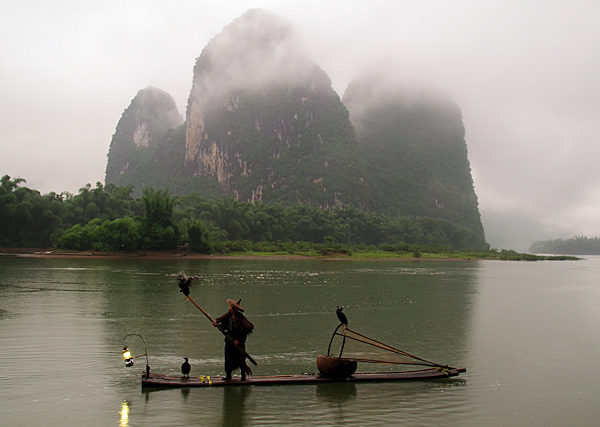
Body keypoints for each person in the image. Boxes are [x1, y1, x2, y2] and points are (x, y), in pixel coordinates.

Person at [214, 298, 254, 381]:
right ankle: (228, 376)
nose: (230, 308)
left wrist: (239, 340)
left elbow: (247, 329)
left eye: (231, 307)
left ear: (234, 309)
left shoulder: (241, 319)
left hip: (238, 342)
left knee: (241, 360)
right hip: (229, 341)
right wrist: (217, 324)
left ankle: (243, 376)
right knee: (228, 358)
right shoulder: (229, 316)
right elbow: (225, 325)